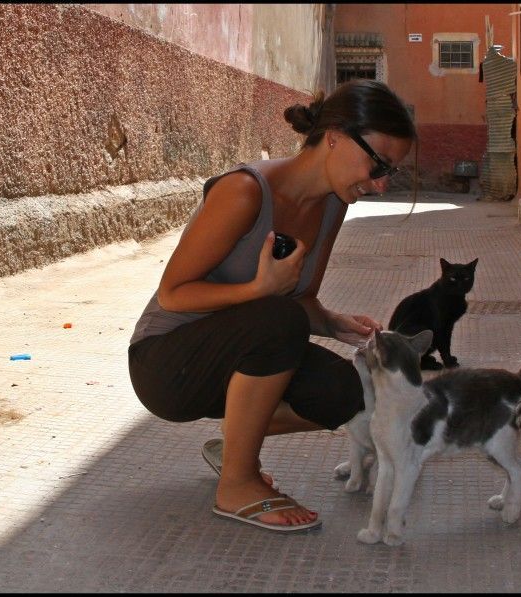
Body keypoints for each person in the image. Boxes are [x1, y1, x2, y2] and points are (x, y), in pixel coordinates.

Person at [127, 79, 416, 532]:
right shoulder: (244, 191)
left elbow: (298, 297)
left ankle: (233, 447)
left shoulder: (333, 204)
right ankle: (237, 483)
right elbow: (174, 293)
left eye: (390, 172)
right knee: (278, 320)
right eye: (377, 163)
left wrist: (331, 322)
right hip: (166, 364)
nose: (380, 184)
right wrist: (260, 289)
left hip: (239, 350)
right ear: (336, 135)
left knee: (346, 392)